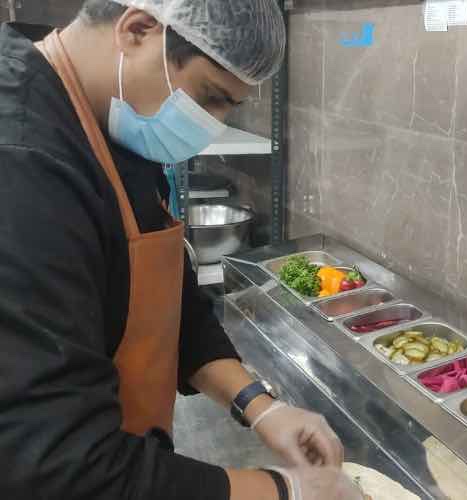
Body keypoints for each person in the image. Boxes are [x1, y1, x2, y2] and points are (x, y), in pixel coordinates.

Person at [0, 1, 366, 499]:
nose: (207, 128)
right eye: (209, 96)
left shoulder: (102, 111)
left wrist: (260, 406)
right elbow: (58, 466)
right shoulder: (22, 164)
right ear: (137, 29)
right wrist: (287, 491)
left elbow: (166, 301)